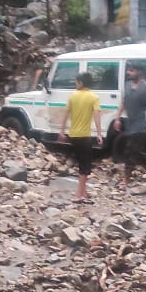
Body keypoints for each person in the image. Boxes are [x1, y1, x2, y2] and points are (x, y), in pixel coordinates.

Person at [113, 63, 146, 186]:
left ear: (138, 72)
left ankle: (127, 178)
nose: (128, 73)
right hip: (130, 123)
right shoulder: (127, 86)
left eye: (131, 71)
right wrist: (117, 119)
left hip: (140, 125)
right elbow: (123, 103)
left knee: (130, 150)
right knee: (137, 151)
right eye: (129, 71)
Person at [57, 72, 103, 201]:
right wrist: (99, 134)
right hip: (84, 136)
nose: (75, 85)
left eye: (76, 82)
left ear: (81, 83)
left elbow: (65, 115)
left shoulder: (72, 96)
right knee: (85, 165)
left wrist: (61, 132)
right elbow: (97, 116)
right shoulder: (94, 97)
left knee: (82, 163)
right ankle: (79, 195)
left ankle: (84, 191)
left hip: (73, 135)